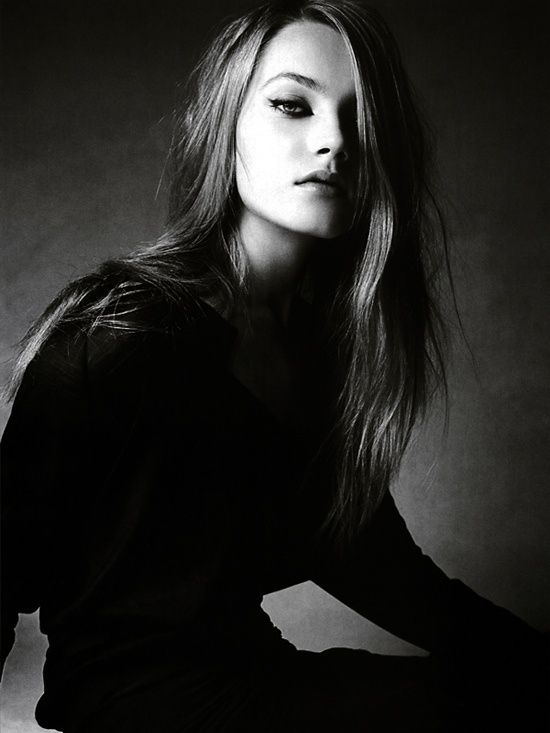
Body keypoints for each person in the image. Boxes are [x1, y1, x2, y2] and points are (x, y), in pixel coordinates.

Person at [0, 1, 547, 731]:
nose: (336, 141)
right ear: (223, 126)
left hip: (253, 683)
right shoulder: (117, 333)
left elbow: (391, 579)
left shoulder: (318, 356)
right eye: (293, 105)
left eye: (363, 118)